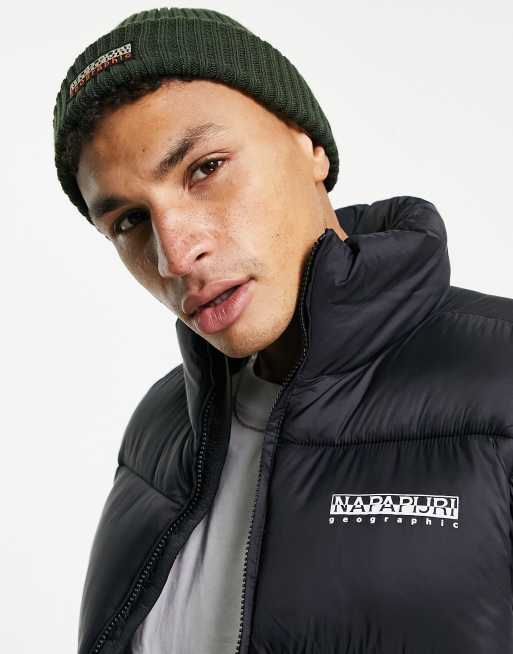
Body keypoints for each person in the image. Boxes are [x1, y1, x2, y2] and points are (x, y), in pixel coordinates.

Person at [53, 7, 513, 654]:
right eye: (129, 221)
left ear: (309, 145)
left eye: (206, 168)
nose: (176, 256)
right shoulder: (160, 426)